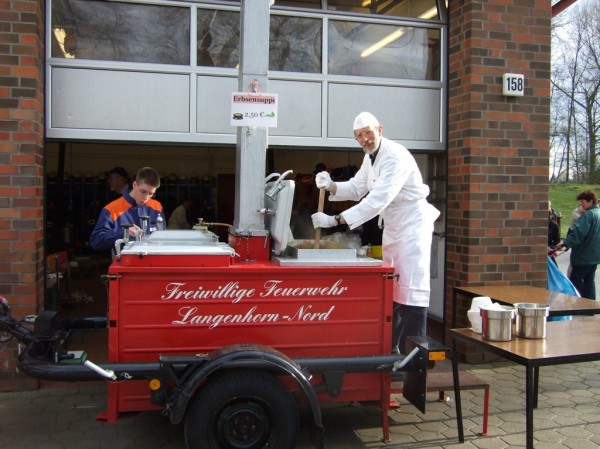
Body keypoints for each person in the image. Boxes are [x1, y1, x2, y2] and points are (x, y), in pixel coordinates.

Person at [311, 112, 440, 354]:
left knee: (412, 292)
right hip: (393, 227)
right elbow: (358, 188)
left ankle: (416, 360)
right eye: (359, 136)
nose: (365, 139)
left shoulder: (395, 156)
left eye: (368, 132)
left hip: (412, 226)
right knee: (393, 290)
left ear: (379, 129)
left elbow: (377, 200)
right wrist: (331, 185)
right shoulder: (370, 159)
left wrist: (335, 220)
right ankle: (393, 351)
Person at [90, 167, 166, 253]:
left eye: (151, 194)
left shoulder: (157, 206)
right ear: (134, 185)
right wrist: (122, 232)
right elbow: (96, 241)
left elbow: (163, 238)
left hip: (152, 262)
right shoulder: (111, 209)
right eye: (143, 191)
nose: (146, 198)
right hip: (126, 263)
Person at [556, 189, 600, 300]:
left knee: (575, 279)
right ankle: (590, 306)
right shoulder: (598, 213)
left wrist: (565, 243)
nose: (581, 205)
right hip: (595, 256)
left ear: (590, 201)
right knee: (589, 280)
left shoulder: (588, 215)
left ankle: (579, 303)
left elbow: (578, 234)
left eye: (583, 202)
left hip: (583, 255)